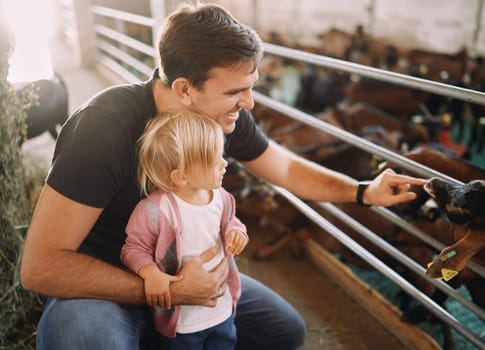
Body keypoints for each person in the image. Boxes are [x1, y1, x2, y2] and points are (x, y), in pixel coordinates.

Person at [20, 2, 427, 350]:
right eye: (235, 91)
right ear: (184, 89)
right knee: (90, 339)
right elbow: (40, 267)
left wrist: (362, 192)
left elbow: (283, 167)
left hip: (191, 277)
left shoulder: (222, 120)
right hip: (103, 284)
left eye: (250, 87)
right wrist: (165, 291)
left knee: (285, 331)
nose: (247, 103)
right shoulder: (104, 128)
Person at [121, 109, 248, 349]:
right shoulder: (155, 210)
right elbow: (133, 248)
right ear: (181, 177)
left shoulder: (222, 197)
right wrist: (151, 273)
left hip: (221, 310)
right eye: (214, 161)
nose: (224, 164)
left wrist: (236, 232)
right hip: (183, 324)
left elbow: (231, 221)